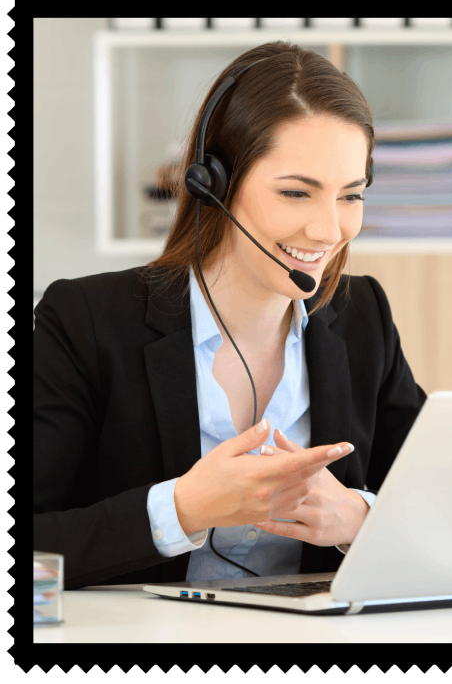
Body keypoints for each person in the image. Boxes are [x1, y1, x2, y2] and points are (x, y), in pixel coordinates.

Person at [33, 41, 427, 590]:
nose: (328, 230)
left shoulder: (363, 318)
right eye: (296, 193)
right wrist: (182, 509)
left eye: (351, 196)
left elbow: (446, 511)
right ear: (211, 183)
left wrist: (360, 520)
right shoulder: (86, 321)